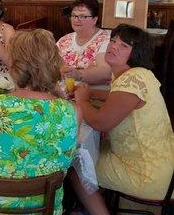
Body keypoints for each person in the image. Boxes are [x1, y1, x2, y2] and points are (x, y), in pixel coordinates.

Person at [0, 29, 81, 214]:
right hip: (44, 207)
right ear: (54, 63)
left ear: (15, 65)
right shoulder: (73, 111)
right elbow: (65, 164)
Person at [71, 24, 174, 215]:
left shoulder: (132, 80)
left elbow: (101, 122)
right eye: (113, 40)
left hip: (145, 174)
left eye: (124, 45)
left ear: (136, 54)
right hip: (162, 165)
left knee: (76, 165)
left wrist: (82, 100)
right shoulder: (141, 75)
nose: (114, 46)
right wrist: (90, 92)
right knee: (94, 146)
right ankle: (100, 198)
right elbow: (117, 97)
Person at [57, 0, 111, 85]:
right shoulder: (64, 40)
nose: (76, 20)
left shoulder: (105, 39)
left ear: (94, 19)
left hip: (92, 94)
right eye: (74, 15)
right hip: (62, 93)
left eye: (82, 16)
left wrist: (78, 74)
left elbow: (105, 72)